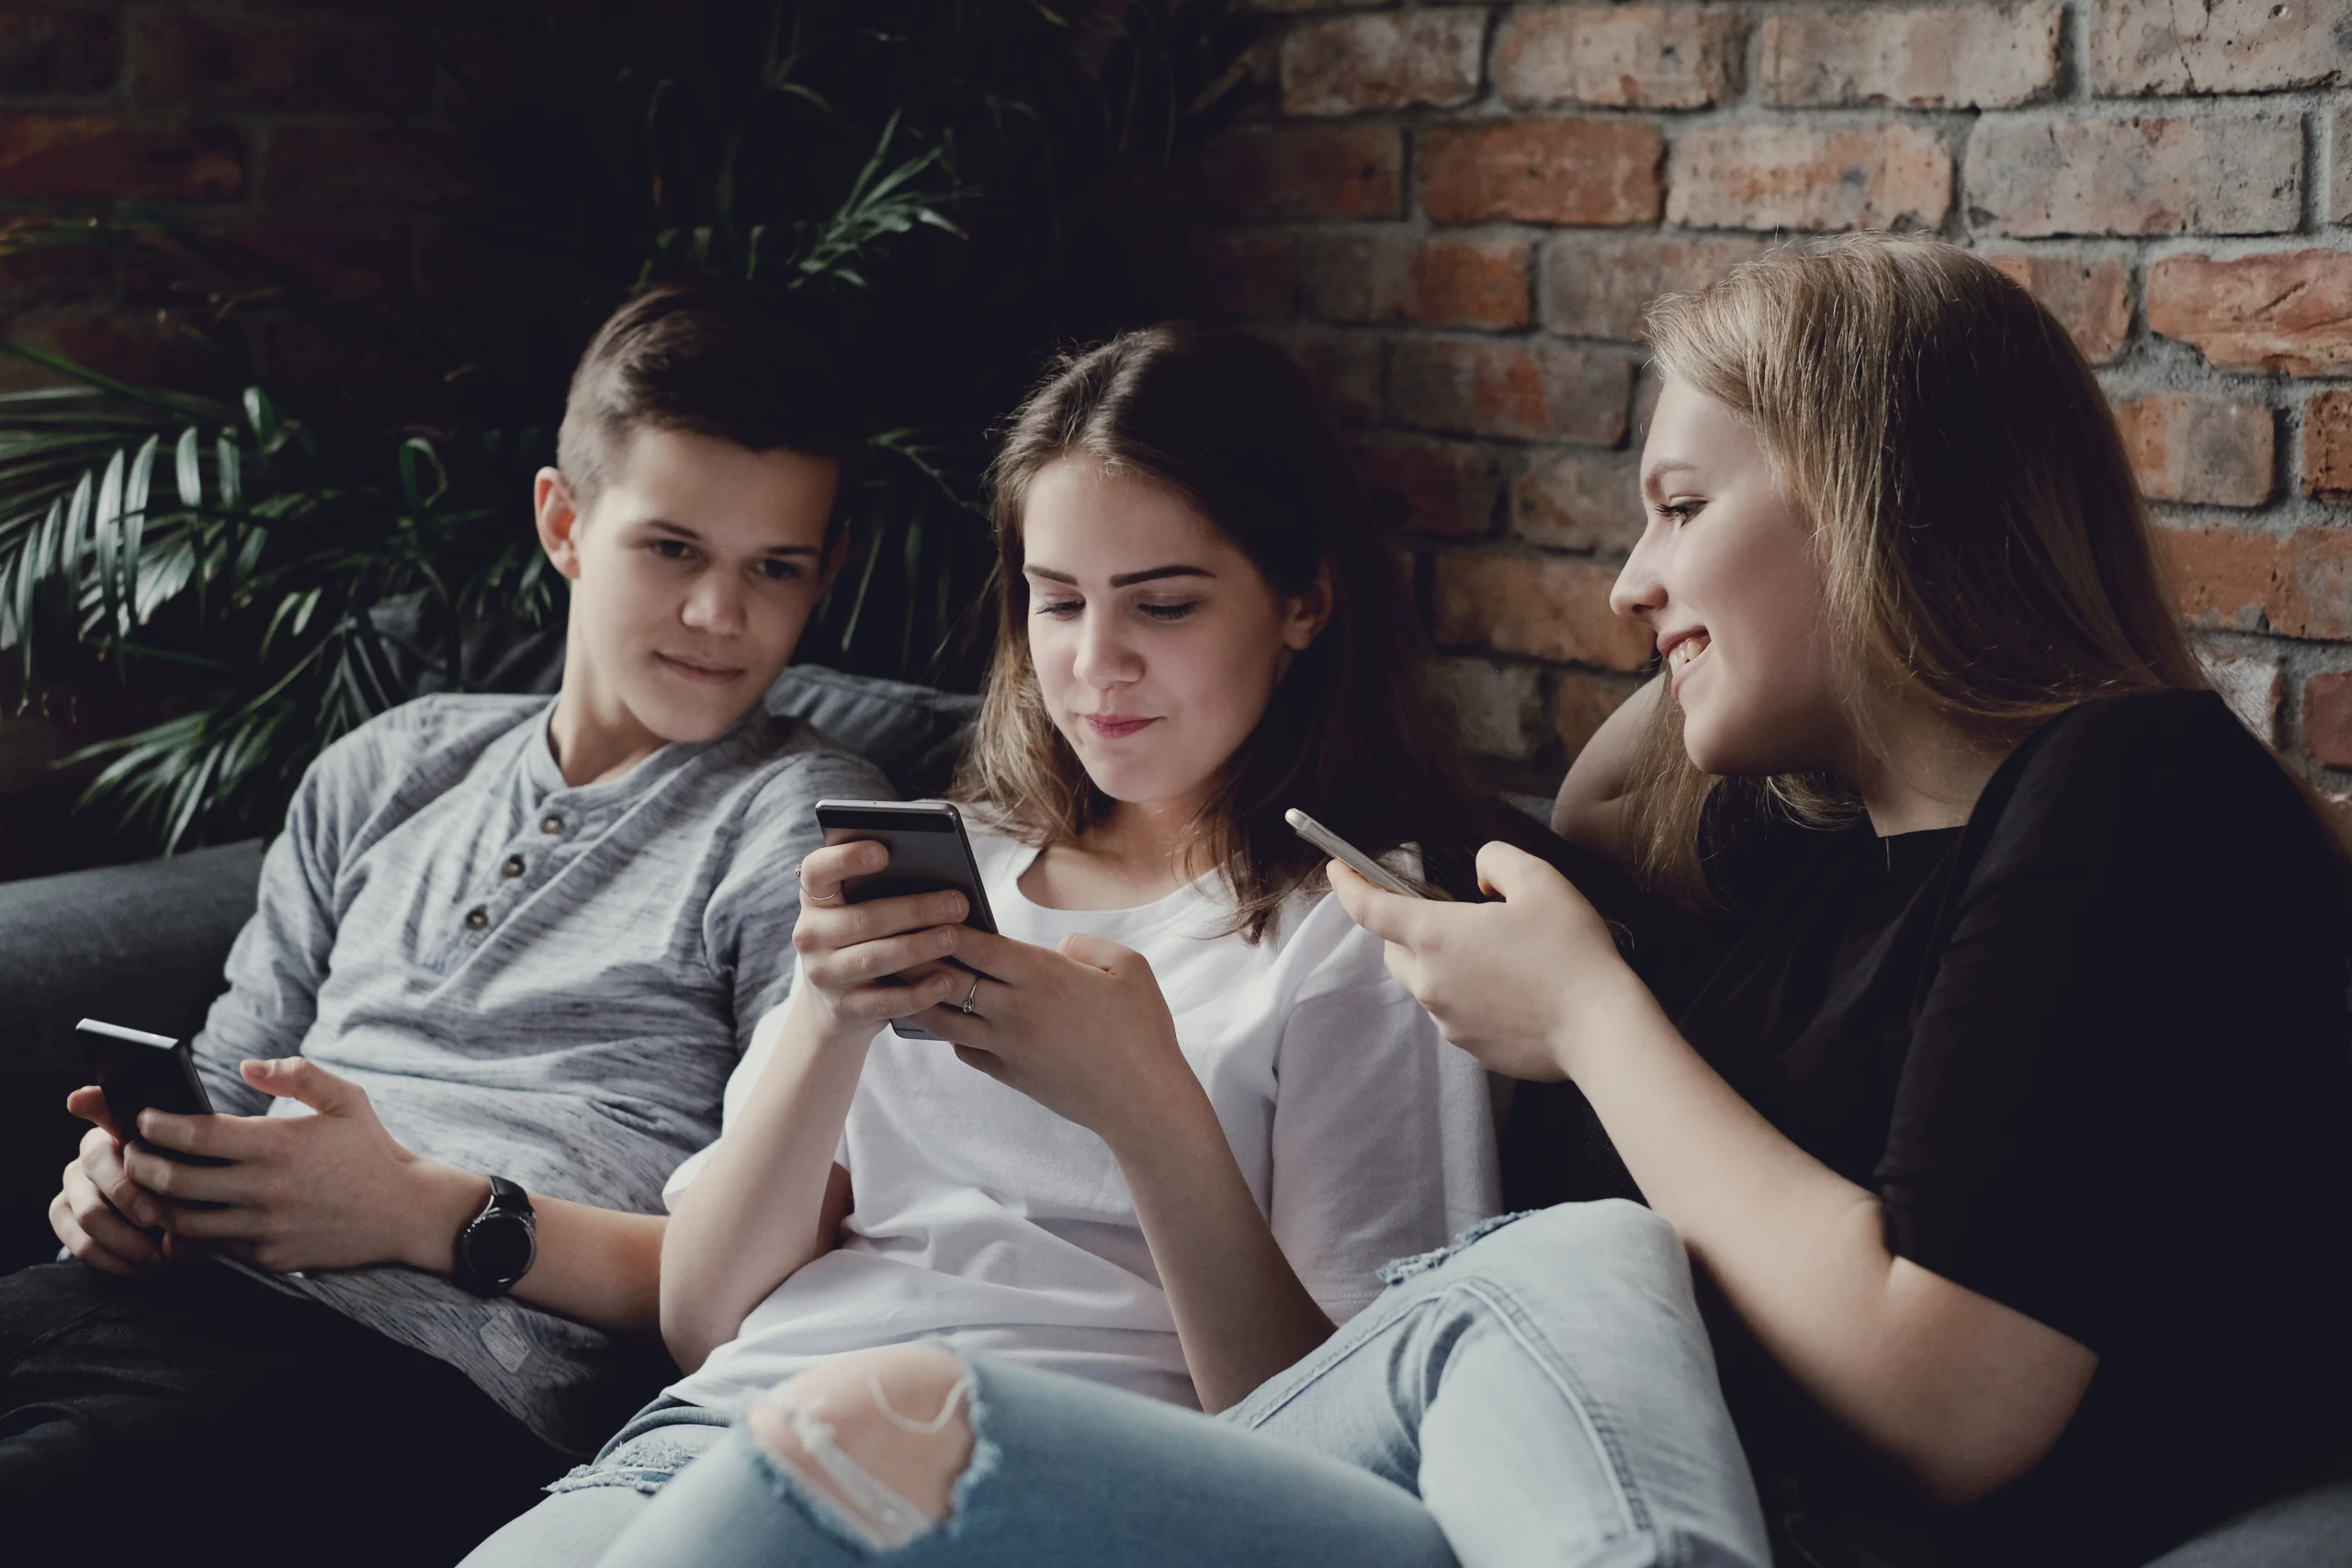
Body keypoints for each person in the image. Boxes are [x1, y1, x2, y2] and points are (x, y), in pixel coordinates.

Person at [550, 234, 2352, 1568]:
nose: (1625, 585)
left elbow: (1953, 1402)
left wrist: (1582, 1013)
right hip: (1573, 1474)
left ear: (1869, 507)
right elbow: (1598, 799)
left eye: (1668, 506)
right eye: (1054, 601)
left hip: (1634, 1479)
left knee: (1568, 1253)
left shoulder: (2127, 792)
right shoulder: (1802, 855)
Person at [459, 323, 1521, 1564]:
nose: (1094, 662)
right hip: (721, 1431)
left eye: (1164, 603)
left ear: (1304, 600)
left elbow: (1342, 1446)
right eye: (1057, 599)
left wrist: (1147, 1106)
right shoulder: (952, 863)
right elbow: (703, 1318)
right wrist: (825, 1020)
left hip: (1041, 1485)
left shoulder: (1363, 927)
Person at [4, 282, 892, 1564]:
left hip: (416, 1379)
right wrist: (130, 1186)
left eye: (776, 569)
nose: (720, 615)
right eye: (673, 548)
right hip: (130, 1296)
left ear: (827, 573)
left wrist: (428, 1210)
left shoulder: (811, 826)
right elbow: (224, 1085)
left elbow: (785, 1265)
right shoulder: (391, 764)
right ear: (565, 521)